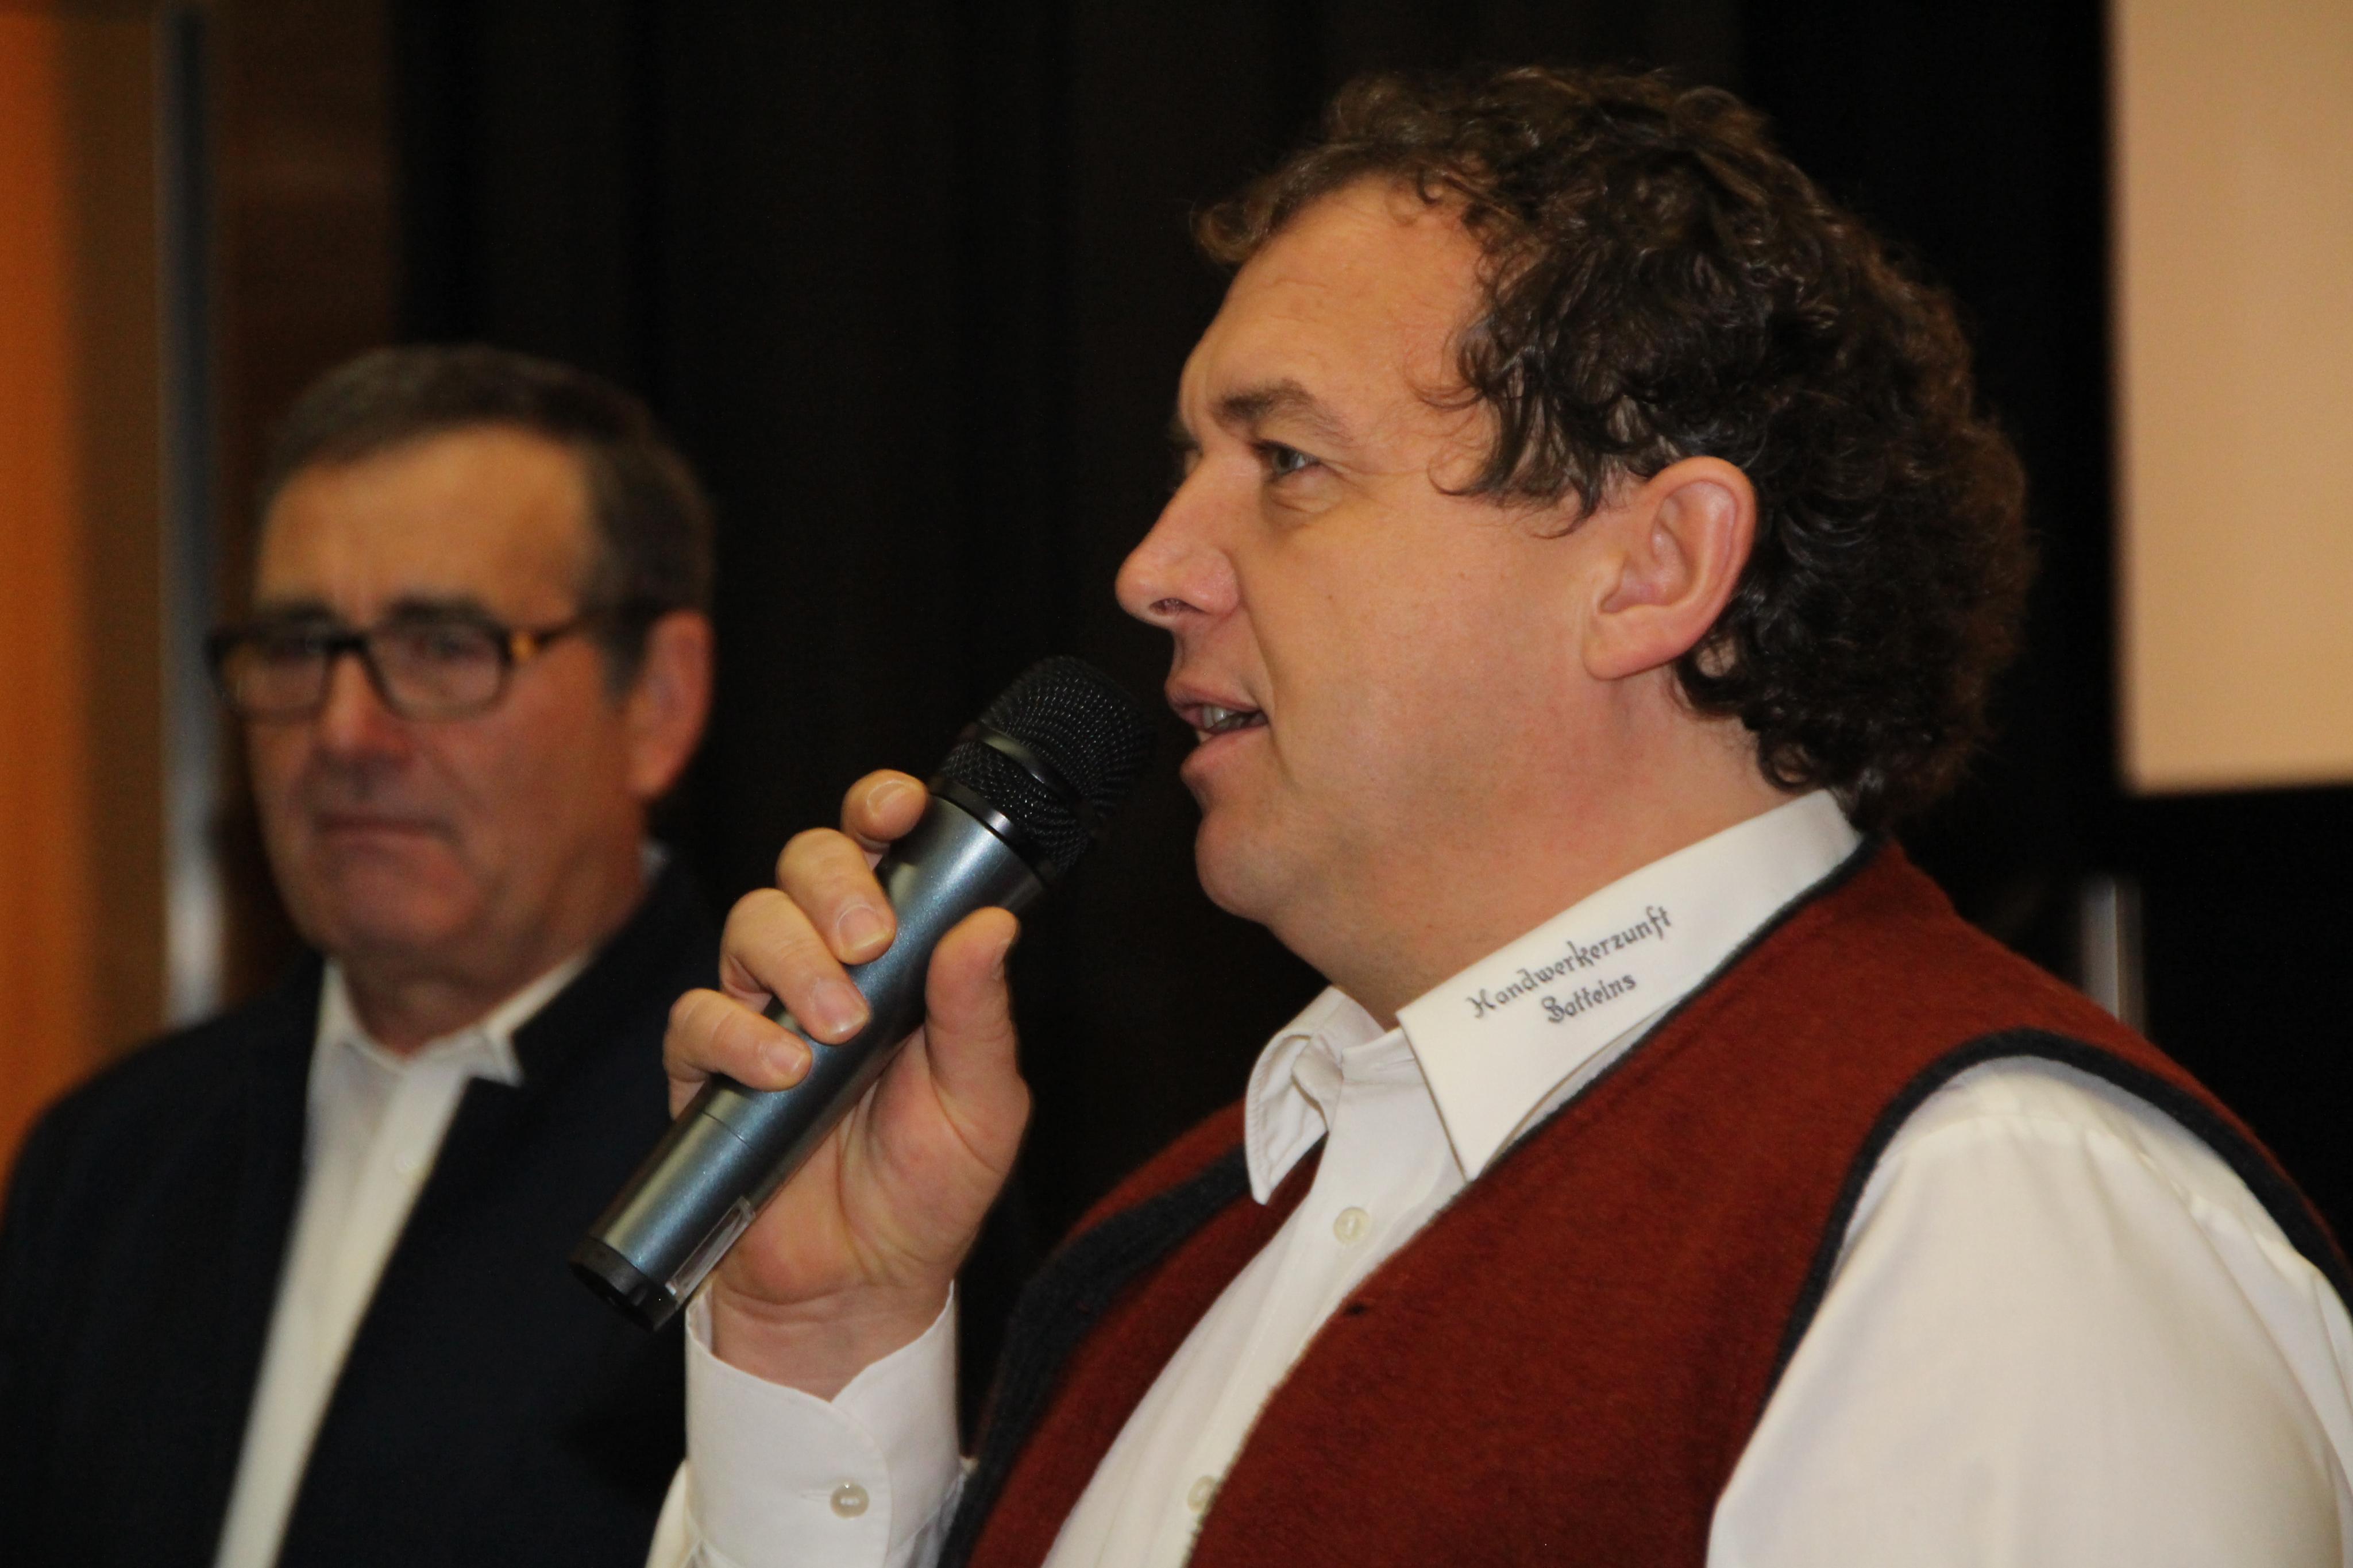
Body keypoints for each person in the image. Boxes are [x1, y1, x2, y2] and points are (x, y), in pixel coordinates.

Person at [654, 67, 2353, 1567]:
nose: (1154, 570)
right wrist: (822, 1344)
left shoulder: (1990, 1221)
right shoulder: (1175, 1244)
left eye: (1287, 462)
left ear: (1654, 568)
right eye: (1186, 468)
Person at [0, 346, 719, 1568]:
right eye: (296, 647)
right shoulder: (113, 1158)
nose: (344, 732)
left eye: (443, 646)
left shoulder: (783, 1151)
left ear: (655, 698)